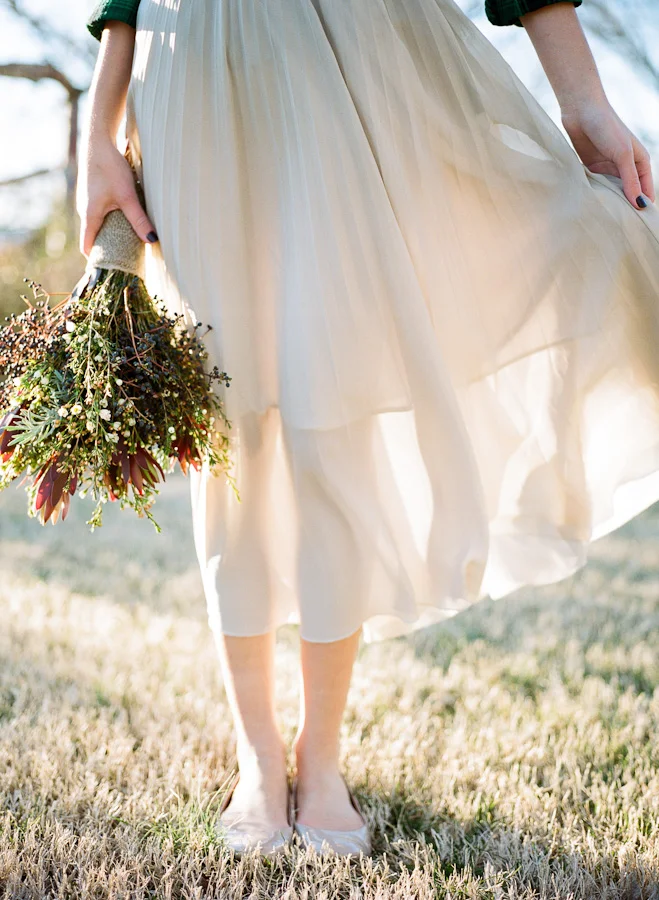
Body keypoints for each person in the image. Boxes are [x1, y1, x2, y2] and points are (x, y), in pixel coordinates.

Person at [79, 0, 658, 859]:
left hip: (355, 51)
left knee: (329, 403)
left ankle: (321, 757)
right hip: (193, 53)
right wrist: (101, 126)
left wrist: (580, 97)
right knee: (230, 421)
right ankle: (257, 753)